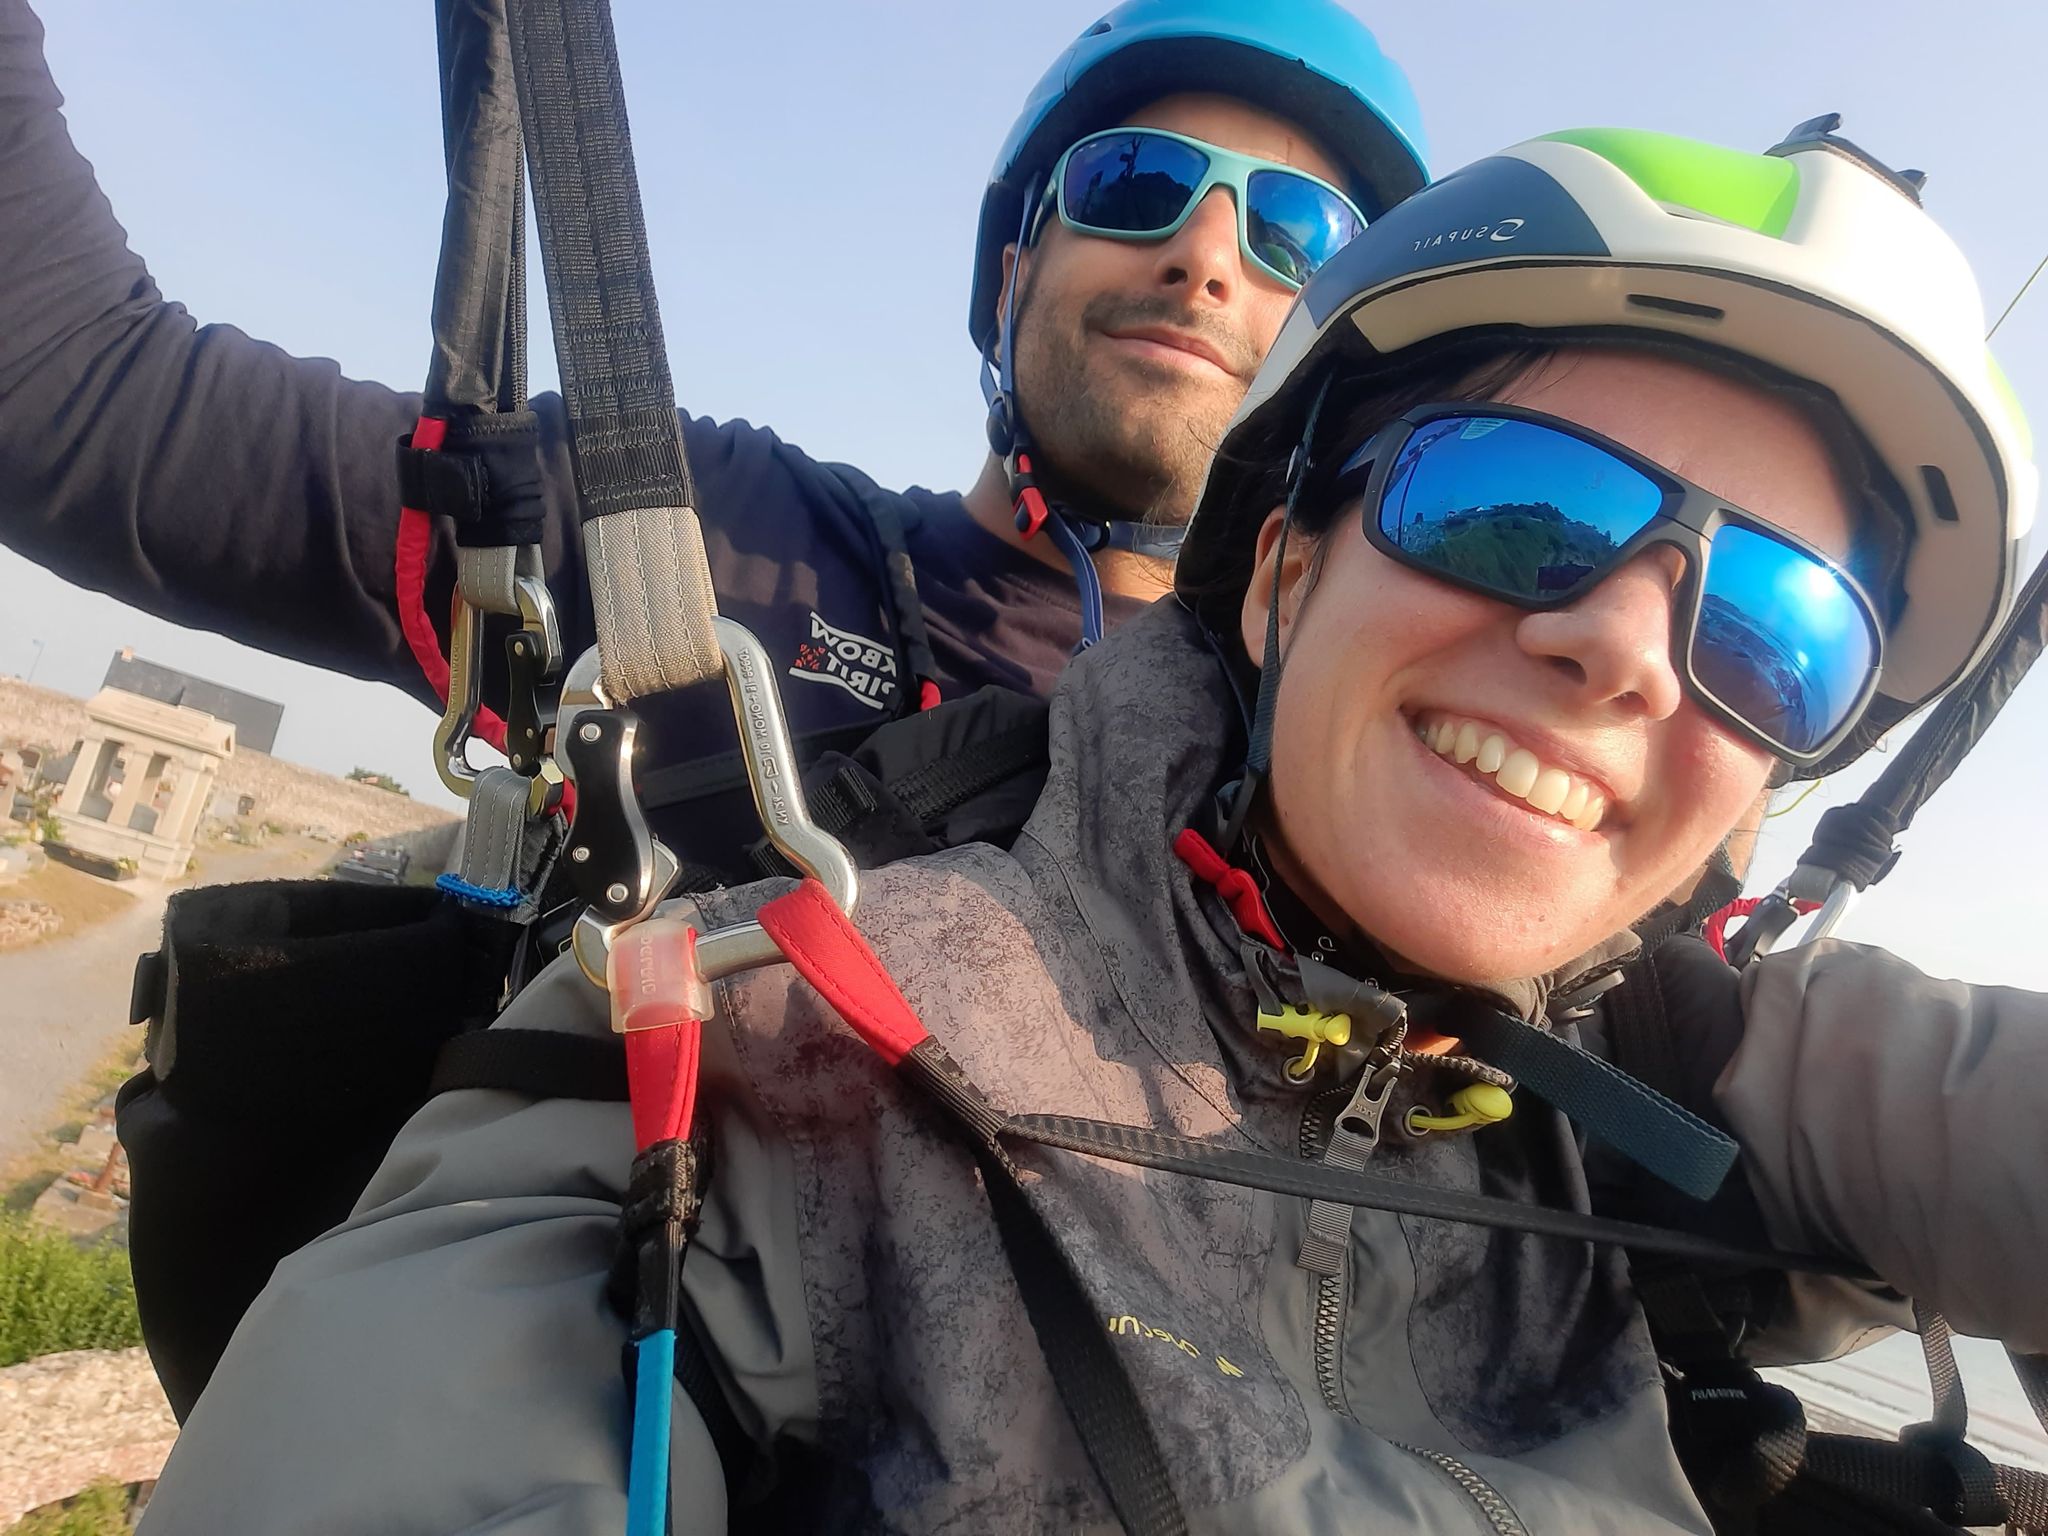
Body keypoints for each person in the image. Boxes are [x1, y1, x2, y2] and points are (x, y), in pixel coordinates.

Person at [129, 120, 2046, 1535]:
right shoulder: (783, 1044)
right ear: (1283, 569)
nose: (1627, 643)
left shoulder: (1677, 1076)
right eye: (1513, 506)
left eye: (1777, 633)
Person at [0, 0, 1426, 876]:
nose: (1210, 257)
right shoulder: (697, 535)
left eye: (1301, 235)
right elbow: (72, 394)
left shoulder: (1342, 750)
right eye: (1136, 182)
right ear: (1012, 276)